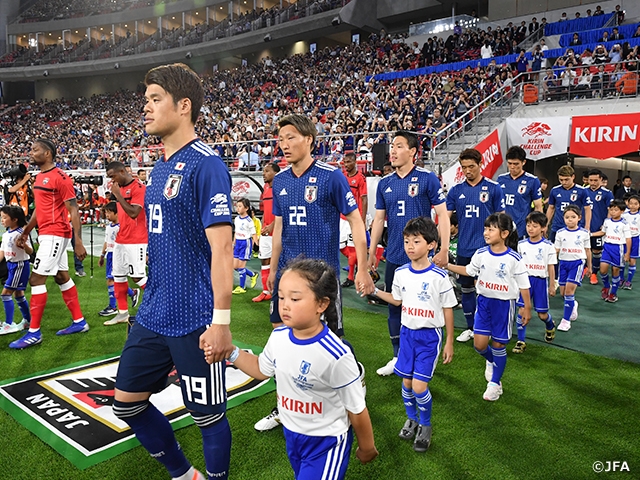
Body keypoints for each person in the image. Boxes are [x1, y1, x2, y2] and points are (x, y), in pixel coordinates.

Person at [112, 63, 234, 480]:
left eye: (154, 99)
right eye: (145, 99)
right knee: (126, 402)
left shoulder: (207, 164)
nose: (144, 107)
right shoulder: (160, 167)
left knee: (208, 417)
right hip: (154, 310)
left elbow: (222, 249)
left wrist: (221, 321)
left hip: (195, 315)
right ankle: (185, 475)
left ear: (184, 106)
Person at [258, 113, 374, 431]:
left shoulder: (331, 176)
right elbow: (278, 228)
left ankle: (349, 390)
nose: (284, 145)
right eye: (281, 140)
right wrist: (272, 271)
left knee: (331, 342)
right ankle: (285, 405)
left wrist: (362, 268)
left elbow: (355, 221)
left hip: (322, 278)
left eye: (291, 137)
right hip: (287, 276)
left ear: (309, 139)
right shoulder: (279, 181)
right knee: (285, 341)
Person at [212, 258, 377, 477]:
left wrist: (367, 447)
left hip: (326, 443)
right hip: (292, 435)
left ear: (322, 304)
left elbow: (357, 410)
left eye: (295, 298)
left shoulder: (336, 355)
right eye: (281, 297)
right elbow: (261, 369)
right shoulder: (279, 336)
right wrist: (231, 352)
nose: (285, 305)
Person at [368, 131, 449, 376]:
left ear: (413, 152)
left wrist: (444, 248)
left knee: (424, 309)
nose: (392, 150)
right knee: (394, 307)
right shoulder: (385, 183)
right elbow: (379, 219)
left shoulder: (427, 179)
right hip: (394, 255)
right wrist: (372, 252)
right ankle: (397, 356)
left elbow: (443, 215)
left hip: (423, 260)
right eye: (392, 146)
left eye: (399, 146)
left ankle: (426, 356)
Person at [373, 217, 455, 451]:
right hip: (407, 334)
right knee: (406, 382)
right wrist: (376, 291)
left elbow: (448, 309)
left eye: (416, 241)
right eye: (407, 241)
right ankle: (412, 418)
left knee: (419, 387)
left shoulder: (439, 276)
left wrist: (449, 341)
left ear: (431, 245)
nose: (409, 246)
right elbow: (397, 300)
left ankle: (425, 425)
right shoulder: (400, 273)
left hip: (429, 337)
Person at [9, 138, 88, 350]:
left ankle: (34, 332)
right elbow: (39, 210)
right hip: (46, 233)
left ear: (48, 154)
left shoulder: (60, 178)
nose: (31, 153)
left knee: (36, 280)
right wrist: (26, 232)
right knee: (62, 276)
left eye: (35, 150)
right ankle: (80, 322)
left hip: (55, 233)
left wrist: (78, 241)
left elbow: (73, 210)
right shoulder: (39, 178)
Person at [447, 213, 531, 401]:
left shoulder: (513, 258)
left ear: (504, 233)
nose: (486, 232)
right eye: (485, 228)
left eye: (491, 229)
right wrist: (447, 266)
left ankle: (495, 384)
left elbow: (524, 284)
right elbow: (469, 270)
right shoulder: (481, 253)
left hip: (504, 305)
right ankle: (492, 362)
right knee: (479, 345)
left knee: (498, 344)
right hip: (484, 303)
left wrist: (526, 307)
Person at [446, 148, 505, 343]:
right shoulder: (456, 191)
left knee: (488, 290)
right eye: (464, 167)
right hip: (464, 247)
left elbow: (501, 220)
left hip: (487, 250)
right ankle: (472, 328)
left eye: (471, 166)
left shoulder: (494, 188)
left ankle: (490, 328)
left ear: (480, 165)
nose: (467, 171)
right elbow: (445, 220)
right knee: (467, 290)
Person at [104, 161, 148, 326]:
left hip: (137, 240)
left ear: (122, 171)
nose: (111, 180)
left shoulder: (139, 188)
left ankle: (163, 303)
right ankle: (122, 313)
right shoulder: (119, 189)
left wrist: (119, 197)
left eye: (113, 176)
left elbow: (134, 213)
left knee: (137, 276)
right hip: (121, 239)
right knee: (118, 276)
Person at [513, 212, 557, 353]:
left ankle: (550, 325)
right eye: (528, 225)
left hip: (540, 282)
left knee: (542, 315)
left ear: (543, 228)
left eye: (534, 226)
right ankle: (521, 341)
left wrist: (551, 285)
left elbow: (551, 266)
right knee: (522, 310)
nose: (530, 228)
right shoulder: (521, 244)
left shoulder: (548, 246)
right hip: (524, 281)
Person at [554, 205, 592, 332]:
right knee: (564, 293)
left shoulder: (584, 233)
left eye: (573, 217)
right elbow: (556, 250)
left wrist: (590, 267)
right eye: (567, 217)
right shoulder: (560, 233)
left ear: (579, 218)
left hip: (577, 263)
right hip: (563, 263)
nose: (570, 220)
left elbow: (588, 250)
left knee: (569, 292)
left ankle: (565, 321)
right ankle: (573, 304)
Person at [97, 202, 138, 317]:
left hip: (118, 255)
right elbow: (106, 241)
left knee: (111, 280)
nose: (107, 215)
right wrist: (102, 255)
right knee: (113, 280)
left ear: (116, 213)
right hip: (110, 255)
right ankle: (132, 292)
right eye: (106, 212)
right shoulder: (109, 227)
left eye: (109, 212)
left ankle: (113, 306)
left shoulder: (120, 227)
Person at [497, 146, 542, 238]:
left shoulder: (532, 180)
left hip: (522, 229)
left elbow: (538, 207)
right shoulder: (500, 179)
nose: (512, 167)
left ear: (523, 162)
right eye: (510, 163)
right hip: (503, 228)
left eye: (516, 164)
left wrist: (538, 229)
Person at [0, 205, 32, 335]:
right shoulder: (7, 234)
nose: (2, 220)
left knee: (5, 293)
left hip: (19, 265)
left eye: (4, 218)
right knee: (18, 294)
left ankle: (8, 324)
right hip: (11, 266)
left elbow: (30, 251)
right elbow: (2, 250)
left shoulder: (20, 234)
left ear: (14, 219)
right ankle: (28, 321)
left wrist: (24, 245)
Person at [591, 199, 631, 303]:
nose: (613, 212)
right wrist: (590, 234)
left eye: (616, 210)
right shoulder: (607, 221)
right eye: (611, 210)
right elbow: (602, 232)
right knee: (603, 270)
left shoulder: (624, 224)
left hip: (619, 249)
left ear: (622, 211)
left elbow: (628, 239)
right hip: (607, 247)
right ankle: (606, 286)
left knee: (615, 271)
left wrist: (627, 254)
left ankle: (613, 293)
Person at [253, 162, 280, 302]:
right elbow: (265, 210)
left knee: (279, 262)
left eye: (267, 171)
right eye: (263, 171)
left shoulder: (281, 188)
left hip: (278, 233)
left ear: (275, 173)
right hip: (266, 231)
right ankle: (265, 291)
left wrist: (273, 226)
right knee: (264, 259)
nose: (264, 174)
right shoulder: (265, 188)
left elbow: (283, 212)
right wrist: (263, 226)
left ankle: (278, 290)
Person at [340, 152, 368, 288]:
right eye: (345, 162)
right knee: (341, 246)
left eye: (348, 162)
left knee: (352, 249)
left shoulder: (360, 178)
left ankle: (351, 277)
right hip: (341, 218)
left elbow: (364, 199)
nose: (346, 165)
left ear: (355, 162)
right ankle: (357, 263)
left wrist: (361, 220)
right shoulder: (343, 177)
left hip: (353, 218)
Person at [546, 165, 592, 244]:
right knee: (553, 250)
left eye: (566, 179)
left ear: (573, 177)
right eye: (561, 180)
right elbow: (551, 208)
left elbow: (587, 209)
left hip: (575, 226)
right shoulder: (555, 190)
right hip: (557, 226)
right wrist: (546, 224)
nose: (564, 182)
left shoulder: (582, 191)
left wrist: (587, 226)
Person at [585, 169, 614, 284]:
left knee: (596, 251)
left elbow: (610, 210)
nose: (592, 183)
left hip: (598, 227)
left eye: (595, 180)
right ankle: (585, 268)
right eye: (590, 180)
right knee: (583, 250)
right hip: (583, 226)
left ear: (601, 180)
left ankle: (594, 274)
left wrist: (605, 224)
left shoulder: (607, 193)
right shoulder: (583, 191)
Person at [232, 198, 258, 294]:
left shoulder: (249, 221)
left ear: (246, 208)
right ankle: (252, 275)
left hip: (245, 243)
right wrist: (233, 243)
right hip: (238, 243)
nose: (237, 208)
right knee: (235, 266)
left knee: (241, 267)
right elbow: (236, 232)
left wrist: (258, 247)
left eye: (240, 206)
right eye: (237, 206)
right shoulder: (237, 219)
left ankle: (242, 287)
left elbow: (254, 234)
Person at [621, 195, 640, 289]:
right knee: (622, 260)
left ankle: (628, 281)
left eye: (635, 204)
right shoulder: (624, 215)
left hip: (635, 240)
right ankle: (620, 279)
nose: (632, 206)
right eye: (631, 203)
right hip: (624, 239)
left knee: (632, 261)